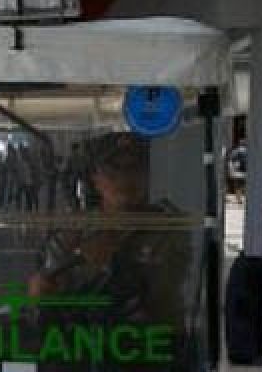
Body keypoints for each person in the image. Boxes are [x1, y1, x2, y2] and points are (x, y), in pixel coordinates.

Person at [29, 138, 187, 327]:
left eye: (134, 169)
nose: (124, 179)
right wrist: (42, 289)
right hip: (86, 340)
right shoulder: (74, 230)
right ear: (96, 180)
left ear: (147, 176)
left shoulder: (167, 226)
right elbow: (48, 291)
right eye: (113, 171)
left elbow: (168, 289)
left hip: (152, 340)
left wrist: (112, 260)